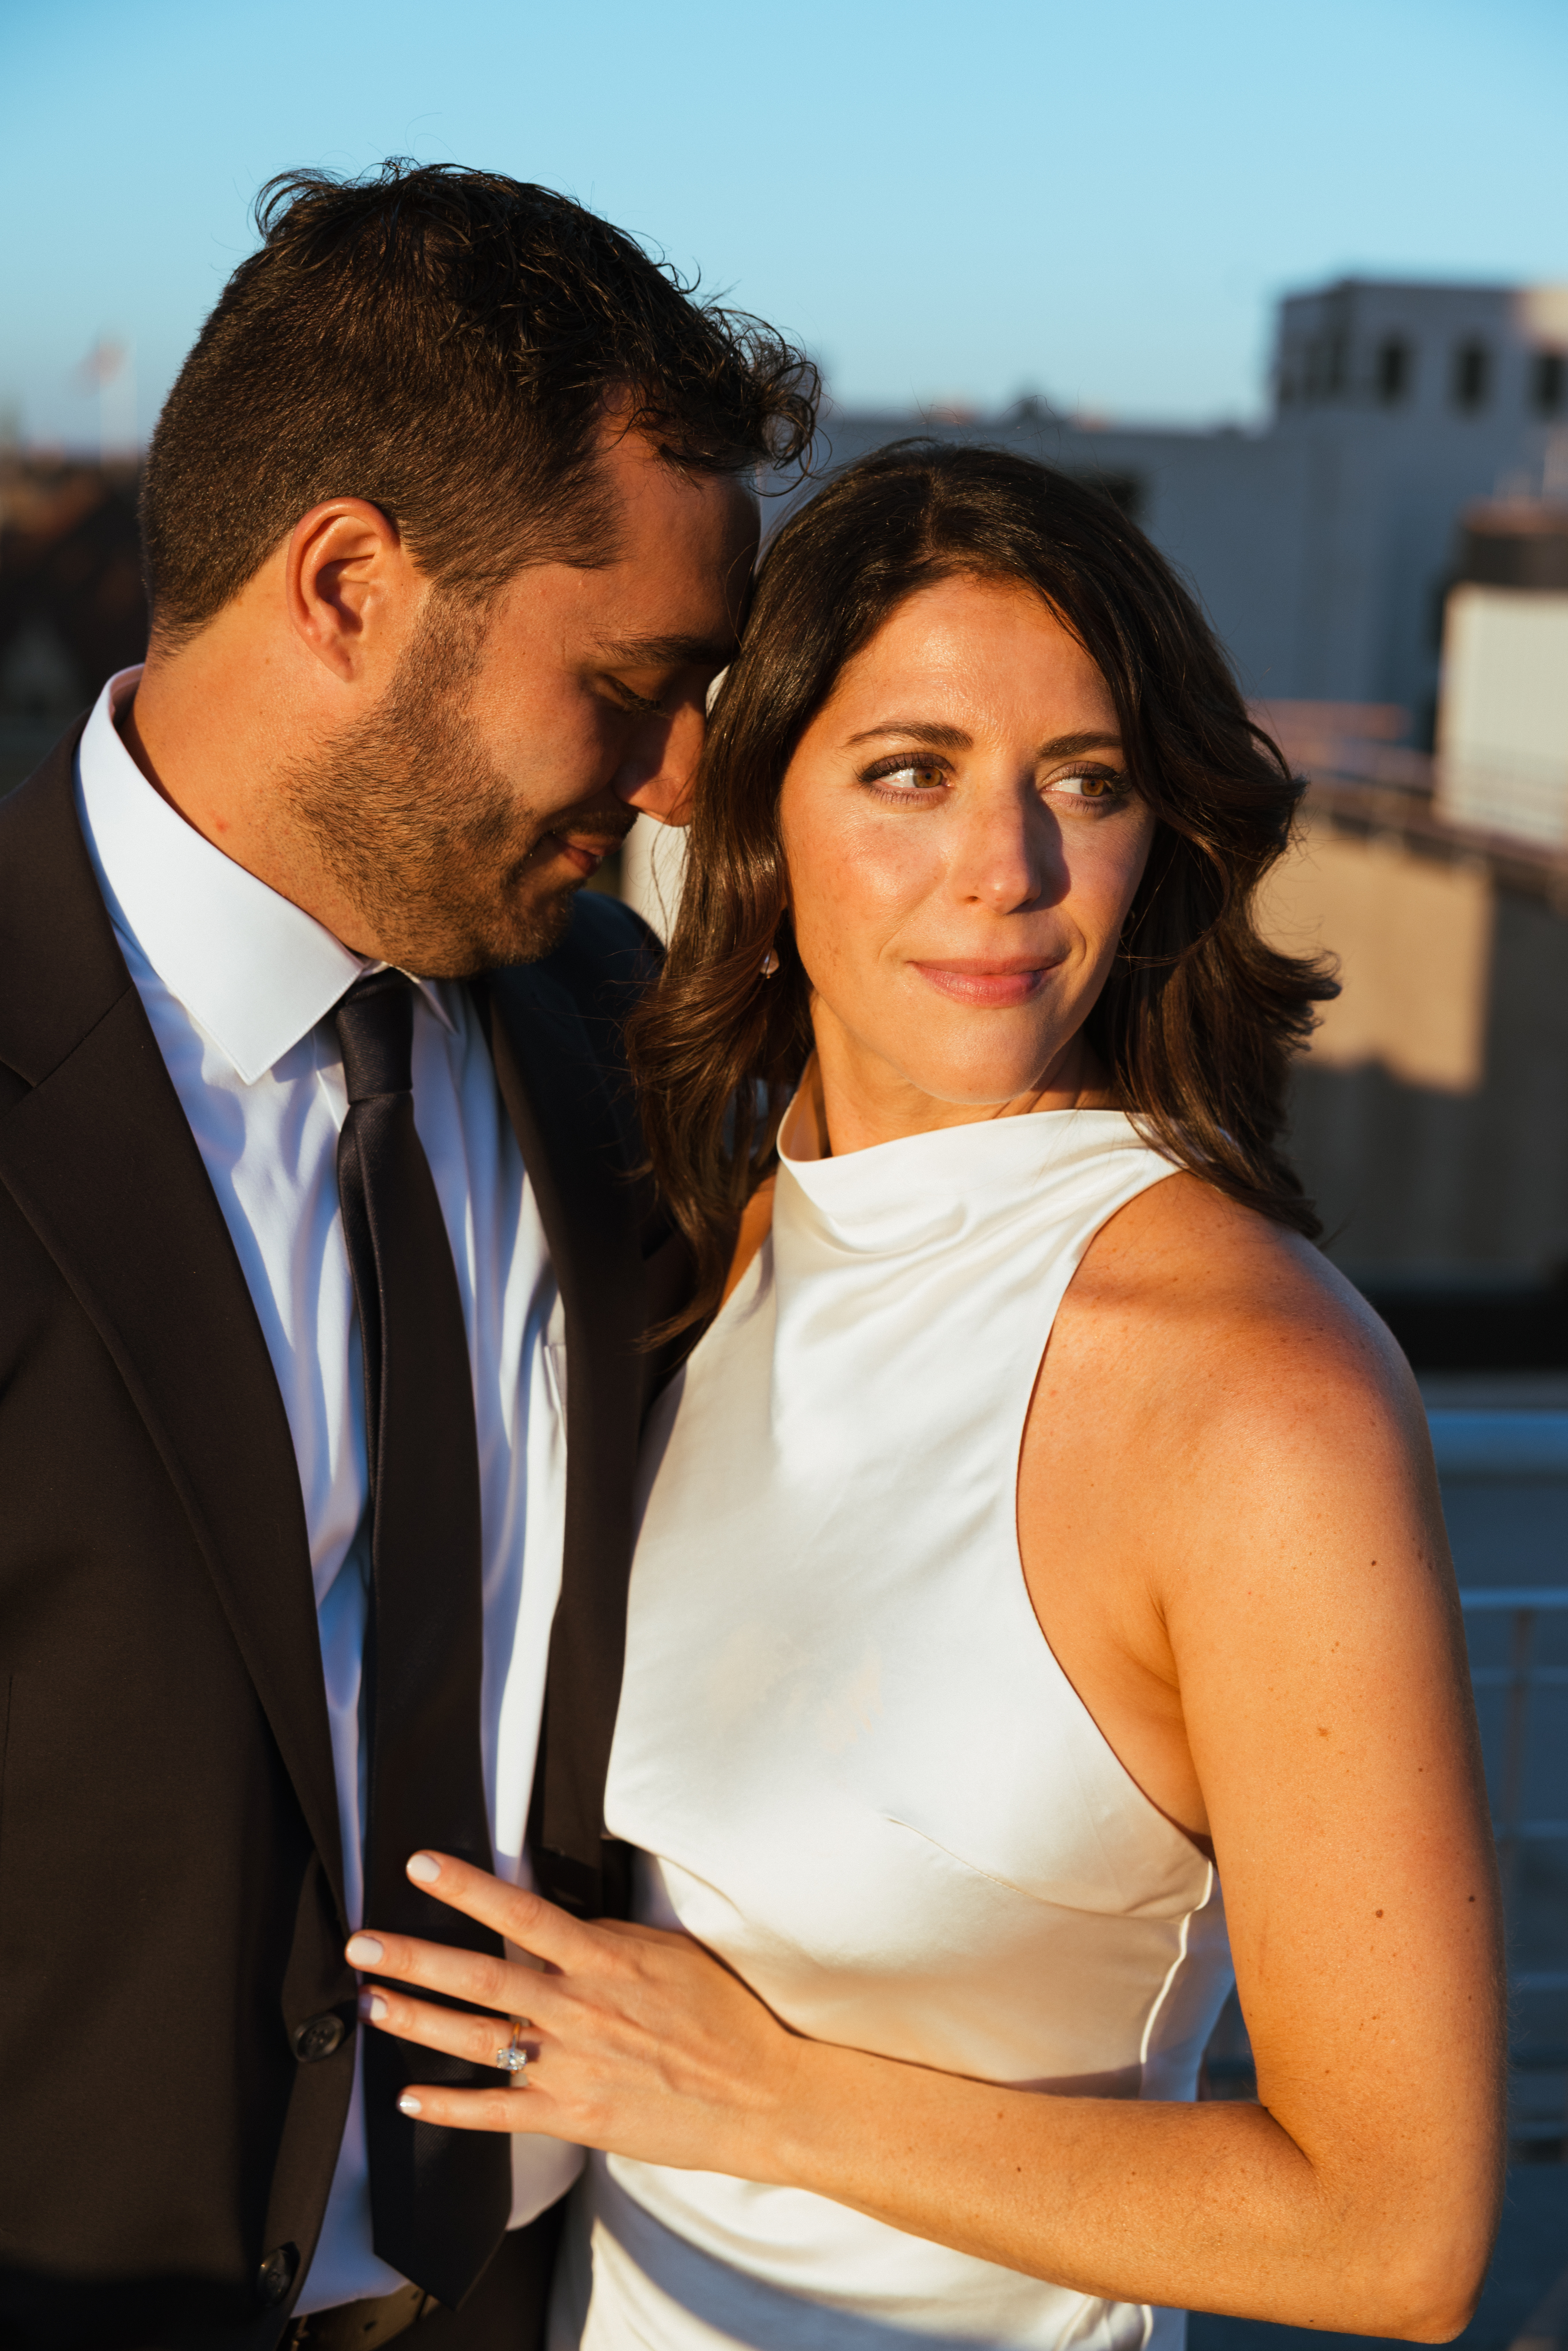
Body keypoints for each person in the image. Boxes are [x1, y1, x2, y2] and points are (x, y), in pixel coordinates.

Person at [350, 445, 1506, 2351]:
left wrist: (751, 2098)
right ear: (758, 813)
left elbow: (1394, 2235)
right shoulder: (697, 1252)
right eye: (911, 771)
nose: (1006, 869)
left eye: (1086, 782)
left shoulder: (1249, 1392)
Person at [0, 161, 816, 2351]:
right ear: (349, 585)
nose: (675, 779)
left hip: (547, 2296)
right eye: (630, 683)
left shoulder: (610, 1031)